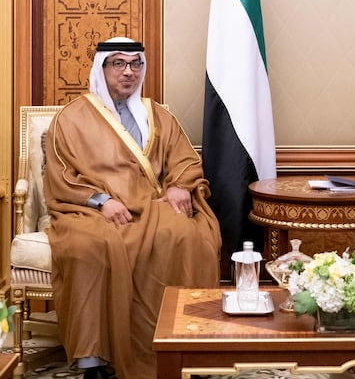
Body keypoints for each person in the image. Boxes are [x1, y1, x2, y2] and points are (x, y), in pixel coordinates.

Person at [44, 37, 222, 379]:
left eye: (135, 64)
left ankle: (186, 344)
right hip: (91, 210)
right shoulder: (72, 117)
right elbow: (61, 174)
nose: (128, 72)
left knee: (188, 235)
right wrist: (102, 201)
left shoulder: (158, 114)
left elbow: (184, 159)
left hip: (153, 205)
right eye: (118, 64)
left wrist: (178, 187)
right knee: (87, 248)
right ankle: (93, 359)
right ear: (102, 68)